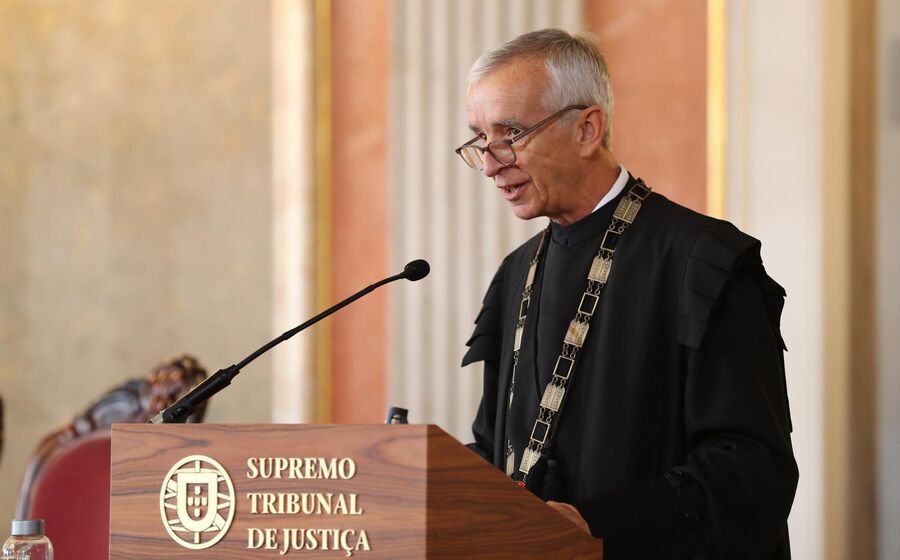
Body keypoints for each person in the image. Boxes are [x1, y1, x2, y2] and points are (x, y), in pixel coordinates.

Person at [457, 29, 798, 560]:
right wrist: (411, 484)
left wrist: (596, 523)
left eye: (511, 134)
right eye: (480, 139)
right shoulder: (516, 272)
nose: (491, 161)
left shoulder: (702, 261)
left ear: (587, 129)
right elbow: (495, 447)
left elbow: (751, 467)